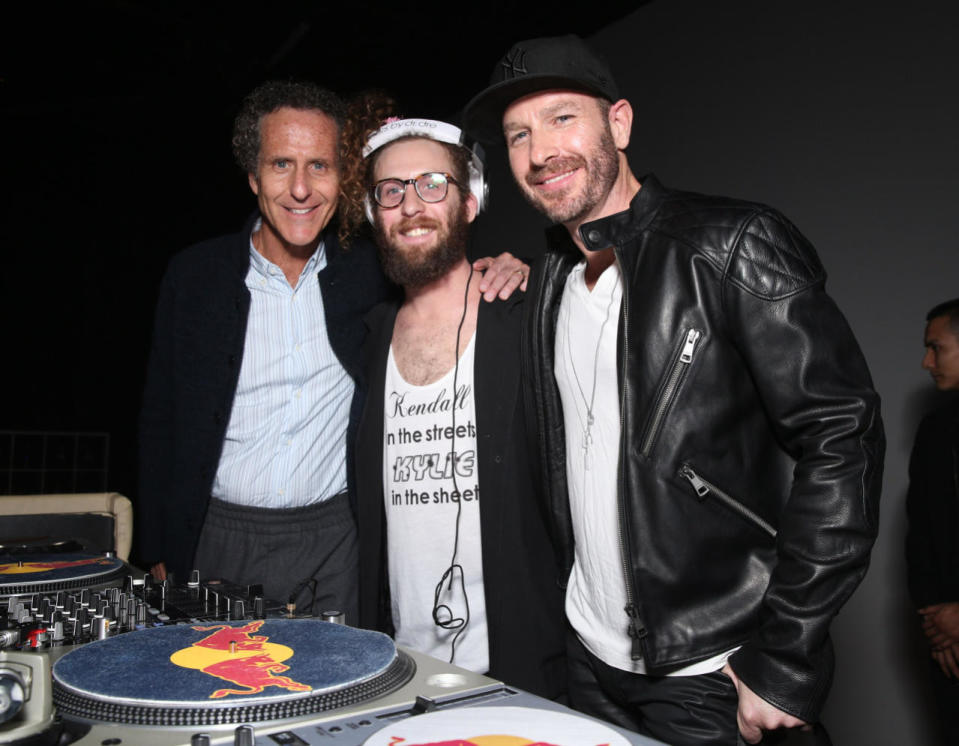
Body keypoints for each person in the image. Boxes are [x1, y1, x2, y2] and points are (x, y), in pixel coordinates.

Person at [463, 35, 884, 745]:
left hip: (709, 671)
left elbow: (841, 437)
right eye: (518, 135)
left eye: (563, 118)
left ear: (618, 124)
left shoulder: (730, 243)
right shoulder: (551, 285)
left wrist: (785, 655)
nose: (540, 151)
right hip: (587, 662)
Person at [137, 81, 527, 620]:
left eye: (319, 166)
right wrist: (158, 543)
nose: (301, 189)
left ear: (343, 180)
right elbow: (161, 416)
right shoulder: (195, 278)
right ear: (253, 176)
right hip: (217, 536)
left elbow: (435, 259)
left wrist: (505, 265)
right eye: (281, 165)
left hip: (335, 544)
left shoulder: (369, 272)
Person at [349, 114, 565, 699]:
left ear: (471, 202)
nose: (411, 204)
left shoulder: (527, 315)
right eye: (390, 191)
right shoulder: (367, 340)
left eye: (432, 184)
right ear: (374, 215)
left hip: (519, 670)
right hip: (399, 671)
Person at [906, 297, 959, 745]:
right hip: (950, 648)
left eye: (935, 348)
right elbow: (920, 535)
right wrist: (940, 627)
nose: (926, 362)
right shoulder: (936, 431)